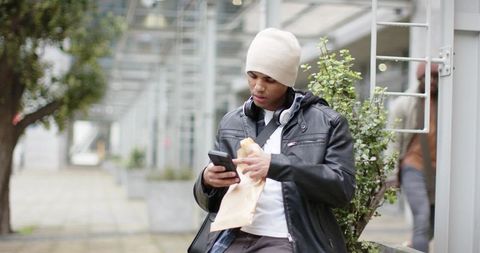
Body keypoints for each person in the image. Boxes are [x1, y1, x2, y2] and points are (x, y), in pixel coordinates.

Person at [192, 28, 355, 253]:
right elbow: (212, 204)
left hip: (286, 239)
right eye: (253, 75)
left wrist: (277, 165)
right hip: (233, 235)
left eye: (269, 79)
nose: (258, 86)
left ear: (287, 80)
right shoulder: (232, 122)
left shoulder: (327, 123)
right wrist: (207, 182)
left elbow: (342, 190)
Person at [387, 62, 439, 252]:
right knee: (422, 217)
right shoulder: (405, 103)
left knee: (434, 223)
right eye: (428, 77)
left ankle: (412, 247)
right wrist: (391, 174)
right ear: (420, 79)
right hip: (413, 166)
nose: (432, 81)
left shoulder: (446, 102)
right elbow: (394, 140)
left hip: (438, 171)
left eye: (436, 77)